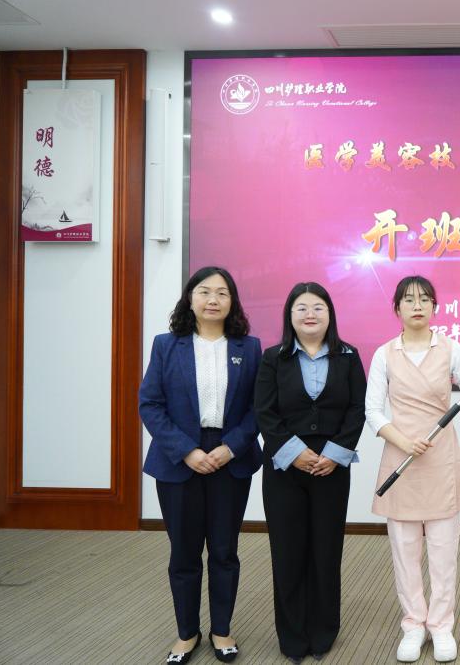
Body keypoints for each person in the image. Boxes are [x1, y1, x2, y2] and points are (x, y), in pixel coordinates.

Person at [139, 266, 262, 664]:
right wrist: (187, 451)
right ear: (190, 298)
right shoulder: (166, 345)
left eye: (222, 293)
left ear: (232, 301)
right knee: (184, 552)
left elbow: (260, 408)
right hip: (179, 460)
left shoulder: (249, 347)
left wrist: (232, 447)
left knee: (224, 550)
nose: (213, 300)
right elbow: (150, 404)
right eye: (205, 291)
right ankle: (187, 633)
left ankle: (221, 629)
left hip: (230, 457)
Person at [367, 275, 460, 663]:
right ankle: (413, 625)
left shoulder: (451, 349)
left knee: (443, 551)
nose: (417, 305)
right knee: (404, 551)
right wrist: (403, 442)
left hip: (439, 459)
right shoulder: (384, 354)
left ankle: (441, 625)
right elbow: (372, 411)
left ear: (435, 306)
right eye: (408, 299)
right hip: (401, 459)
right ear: (397, 309)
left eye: (424, 299)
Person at [254, 282, 366, 662]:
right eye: (301, 308)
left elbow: (357, 409)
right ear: (290, 316)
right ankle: (292, 635)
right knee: (287, 553)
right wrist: (294, 453)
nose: (310, 314)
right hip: (284, 468)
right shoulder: (273, 358)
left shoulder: (348, 356)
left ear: (329, 314)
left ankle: (323, 631)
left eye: (318, 307)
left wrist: (334, 454)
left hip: (332, 468)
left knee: (326, 551)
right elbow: (265, 412)